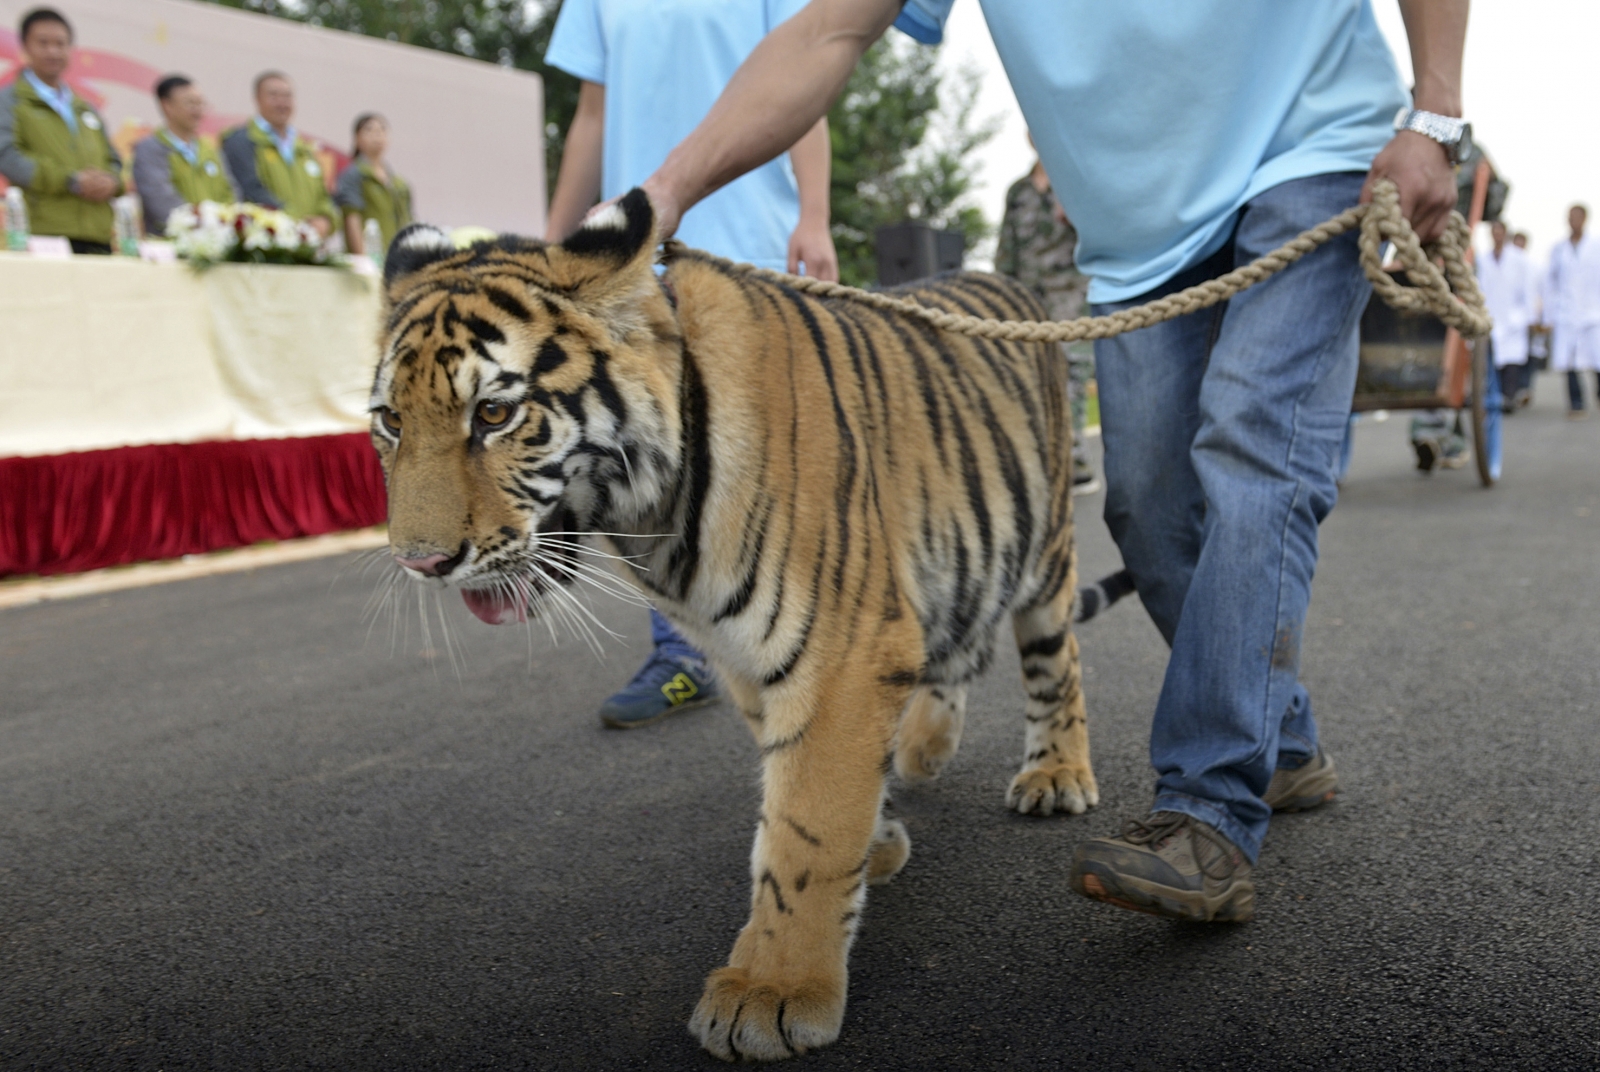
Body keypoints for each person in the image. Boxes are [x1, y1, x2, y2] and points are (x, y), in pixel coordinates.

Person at [637, 0, 1467, 922]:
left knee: (1251, 443)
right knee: (1147, 508)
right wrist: (662, 193)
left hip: (1315, 152)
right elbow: (823, 34)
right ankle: (1285, 741)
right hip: (1142, 233)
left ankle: (1209, 807)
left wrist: (1434, 111)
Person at [543, 0, 838, 730]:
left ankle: (807, 632)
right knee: (650, 454)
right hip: (634, 254)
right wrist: (551, 247)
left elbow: (811, 68)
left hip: (753, 239)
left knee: (773, 458)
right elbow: (590, 118)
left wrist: (816, 215)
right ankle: (683, 652)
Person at [995, 143, 1099, 494]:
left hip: (1070, 293)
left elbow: (1102, 233)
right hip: (1028, 298)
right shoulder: (1019, 191)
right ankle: (1038, 460)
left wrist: (1081, 215)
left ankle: (1073, 459)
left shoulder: (1075, 182)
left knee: (1070, 371)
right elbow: (1006, 250)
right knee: (1028, 375)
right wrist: (1001, 296)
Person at [0, 7, 122, 254]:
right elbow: (9, 157)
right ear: (25, 47)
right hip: (43, 235)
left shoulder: (84, 107)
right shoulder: (9, 101)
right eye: (43, 43)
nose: (53, 51)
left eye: (60, 44)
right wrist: (71, 181)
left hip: (98, 234)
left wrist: (111, 181)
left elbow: (114, 161)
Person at [221, 71, 335, 237]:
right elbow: (250, 189)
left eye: (287, 96)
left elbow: (322, 194)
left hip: (308, 243)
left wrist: (326, 220)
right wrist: (296, 221)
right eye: (273, 96)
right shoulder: (241, 140)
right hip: (264, 244)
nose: (282, 102)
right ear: (257, 99)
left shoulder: (304, 148)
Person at [131, 75, 236, 238]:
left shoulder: (210, 149)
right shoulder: (150, 149)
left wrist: (223, 226)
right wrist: (200, 227)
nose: (197, 109)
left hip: (216, 244)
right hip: (169, 247)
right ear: (167, 106)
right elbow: (160, 201)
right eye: (190, 103)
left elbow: (230, 193)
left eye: (200, 103)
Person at [1544, 204, 1600, 420]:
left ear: (1585, 219)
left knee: (1597, 358)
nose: (1572, 221)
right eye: (1570, 217)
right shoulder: (1558, 249)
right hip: (1567, 313)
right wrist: (1548, 315)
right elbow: (1551, 283)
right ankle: (1576, 404)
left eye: (1576, 217)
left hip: (1593, 312)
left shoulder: (1595, 247)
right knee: (1568, 361)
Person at [335, 112, 412, 256]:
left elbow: (409, 220)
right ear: (357, 138)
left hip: (399, 259)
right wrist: (363, 259)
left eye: (382, 130)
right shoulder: (352, 175)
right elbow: (352, 218)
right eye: (369, 130)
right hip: (370, 258)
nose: (377, 135)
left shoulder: (398, 183)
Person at [1478, 220, 1536, 411]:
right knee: (1492, 361)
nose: (1497, 236)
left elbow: (1529, 289)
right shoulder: (1482, 259)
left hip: (1513, 317)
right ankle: (1495, 395)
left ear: (1505, 234)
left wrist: (1530, 317)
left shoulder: (1519, 259)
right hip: (1491, 315)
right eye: (1494, 232)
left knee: (1511, 361)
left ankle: (1508, 398)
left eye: (1500, 232)